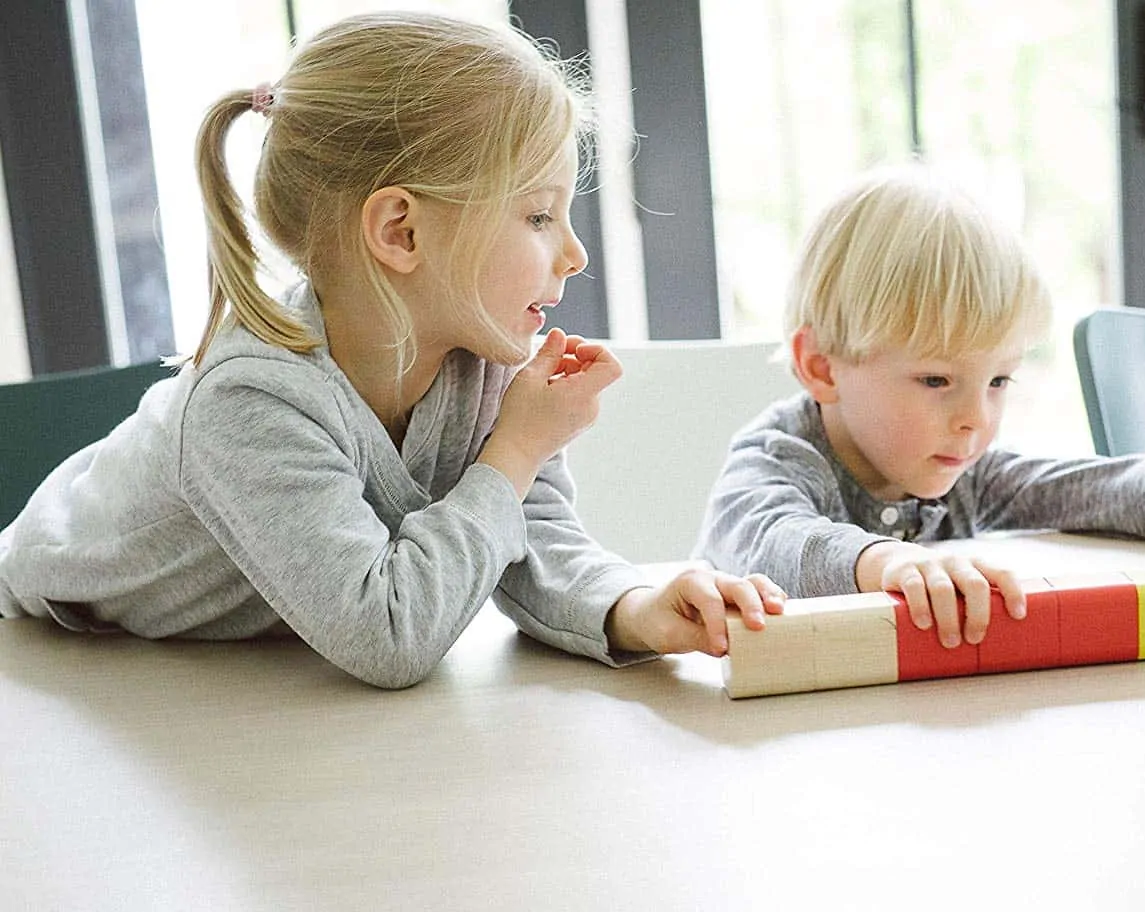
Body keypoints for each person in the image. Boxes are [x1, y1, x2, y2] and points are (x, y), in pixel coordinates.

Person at [0, 12, 782, 688]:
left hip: (231, 675)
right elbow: (387, 633)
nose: (575, 255)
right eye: (539, 217)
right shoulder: (249, 400)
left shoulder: (481, 356)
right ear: (401, 231)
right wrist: (515, 449)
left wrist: (633, 608)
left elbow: (526, 537)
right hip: (51, 658)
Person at [694, 165, 1145, 651]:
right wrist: (887, 561)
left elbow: (1103, 489)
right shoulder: (775, 461)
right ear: (822, 367)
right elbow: (772, 545)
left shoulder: (962, 469)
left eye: (998, 381)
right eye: (937, 380)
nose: (975, 420)